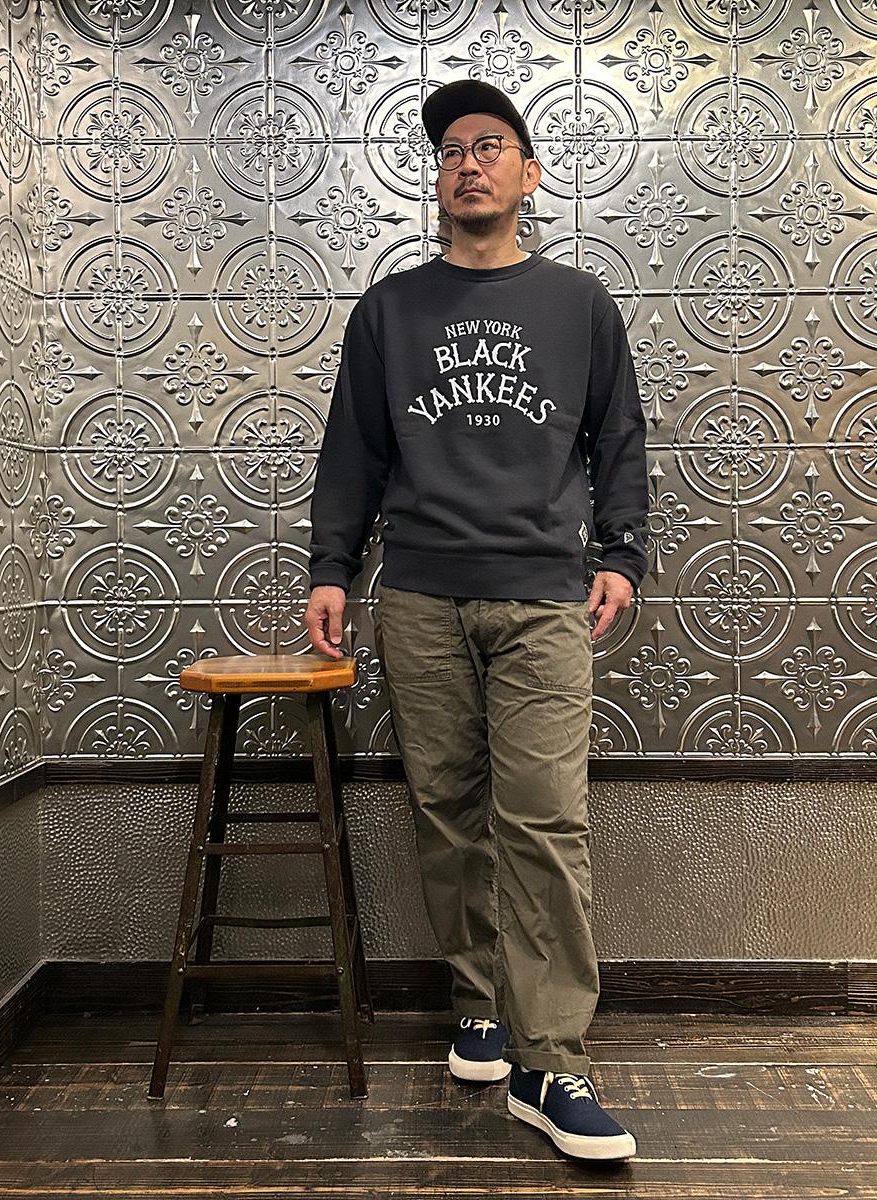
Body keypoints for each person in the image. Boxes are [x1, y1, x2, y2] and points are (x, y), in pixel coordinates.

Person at [303, 78, 650, 1162]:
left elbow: (619, 439)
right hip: (417, 594)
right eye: (451, 149)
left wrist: (623, 554)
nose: (468, 161)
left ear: (529, 173)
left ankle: (552, 1062)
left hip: (544, 595)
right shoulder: (390, 312)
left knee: (543, 820)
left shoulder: (580, 304)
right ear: (438, 180)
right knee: (448, 814)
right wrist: (331, 569)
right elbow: (354, 451)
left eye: (490, 145)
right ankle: (479, 1008)